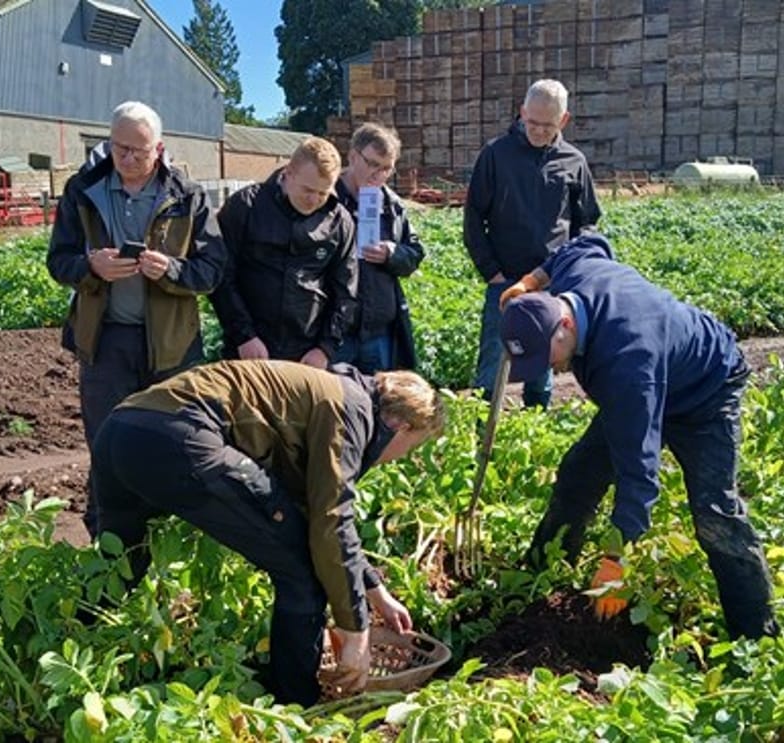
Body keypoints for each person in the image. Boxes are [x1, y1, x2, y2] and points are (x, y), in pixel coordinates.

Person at [92, 360, 445, 705]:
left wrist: (373, 589)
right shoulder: (350, 411)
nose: (400, 457)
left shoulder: (331, 391)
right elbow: (330, 519)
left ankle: (70, 641)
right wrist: (356, 632)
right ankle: (298, 704)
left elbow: (310, 510)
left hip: (122, 430)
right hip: (182, 437)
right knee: (303, 572)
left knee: (119, 562)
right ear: (401, 426)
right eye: (412, 446)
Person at [499, 234, 778, 639]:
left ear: (565, 324)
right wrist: (530, 281)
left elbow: (639, 474)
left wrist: (618, 557)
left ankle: (756, 637)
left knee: (714, 512)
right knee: (579, 473)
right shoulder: (575, 275)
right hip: (655, 375)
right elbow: (587, 243)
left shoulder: (628, 363)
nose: (549, 366)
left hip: (706, 392)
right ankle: (540, 576)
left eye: (546, 355)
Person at [46, 101, 226, 536]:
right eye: (119, 148)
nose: (126, 159)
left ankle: (164, 540)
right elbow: (58, 262)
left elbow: (213, 270)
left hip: (170, 347)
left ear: (159, 149)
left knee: (171, 443)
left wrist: (172, 271)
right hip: (105, 343)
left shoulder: (188, 196)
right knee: (107, 445)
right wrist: (91, 266)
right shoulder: (83, 191)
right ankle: (108, 544)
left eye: (138, 151)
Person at [464, 78, 600, 407]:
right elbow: (472, 219)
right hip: (505, 280)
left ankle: (536, 427)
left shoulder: (574, 161)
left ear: (563, 120)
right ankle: (483, 438)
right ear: (523, 112)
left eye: (547, 125)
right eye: (532, 122)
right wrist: (492, 273)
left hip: (550, 283)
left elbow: (588, 223)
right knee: (492, 367)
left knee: (541, 365)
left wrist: (569, 267)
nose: (538, 131)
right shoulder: (496, 155)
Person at [211, 136, 357, 367]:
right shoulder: (246, 206)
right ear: (289, 173)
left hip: (308, 353)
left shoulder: (340, 221)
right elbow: (222, 275)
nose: (314, 200)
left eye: (323, 193)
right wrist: (244, 336)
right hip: (249, 347)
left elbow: (346, 291)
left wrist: (325, 349)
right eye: (307, 190)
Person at [333, 123, 424, 373]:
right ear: (352, 156)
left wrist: (392, 253)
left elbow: (415, 253)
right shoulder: (328, 199)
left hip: (378, 330)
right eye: (373, 164)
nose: (379, 175)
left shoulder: (392, 205)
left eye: (386, 168)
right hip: (336, 332)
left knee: (380, 404)